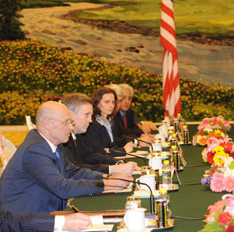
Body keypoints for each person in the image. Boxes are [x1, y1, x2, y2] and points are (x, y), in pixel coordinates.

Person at [0, 101, 131, 214]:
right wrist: (106, 185)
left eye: (71, 122)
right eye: (66, 122)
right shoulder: (35, 150)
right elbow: (62, 187)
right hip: (26, 221)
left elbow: (72, 172)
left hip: (48, 213)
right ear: (48, 123)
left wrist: (107, 177)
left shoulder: (53, 144)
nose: (70, 127)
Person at [0, 130, 92, 231]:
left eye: (2, 146)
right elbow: (6, 222)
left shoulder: (56, 148)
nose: (2, 153)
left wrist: (61, 222)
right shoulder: (34, 150)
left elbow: (5, 220)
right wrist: (62, 223)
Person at [61, 93, 138, 174]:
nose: (90, 120)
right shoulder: (62, 139)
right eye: (86, 115)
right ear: (70, 114)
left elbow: (89, 156)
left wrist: (117, 162)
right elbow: (75, 169)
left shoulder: (76, 135)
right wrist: (112, 169)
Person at [78, 87, 134, 157]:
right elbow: (99, 152)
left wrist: (131, 142)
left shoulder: (106, 121)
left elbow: (111, 145)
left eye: (113, 102)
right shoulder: (93, 124)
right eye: (107, 102)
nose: (111, 105)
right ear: (97, 103)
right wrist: (123, 150)